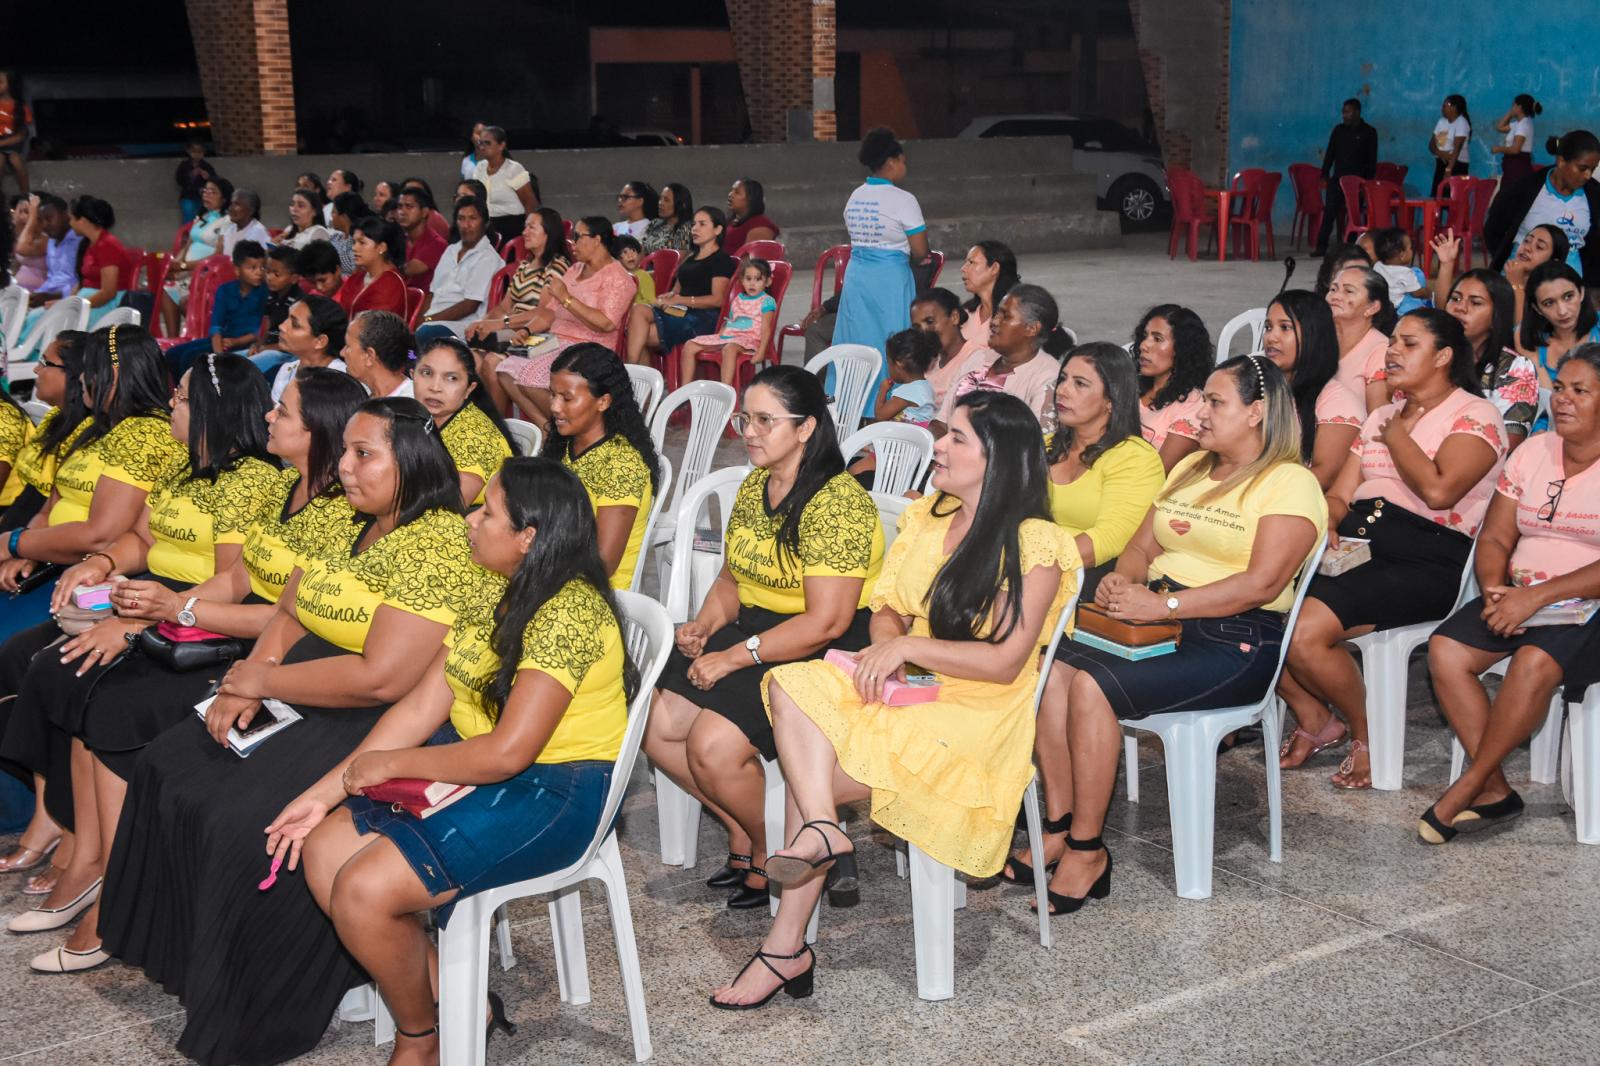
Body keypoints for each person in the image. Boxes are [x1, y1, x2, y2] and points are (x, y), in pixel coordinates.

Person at [97, 397, 474, 1066]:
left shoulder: (438, 541)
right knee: (167, 765)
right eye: (346, 452)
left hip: (368, 718)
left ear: (411, 463)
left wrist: (263, 685)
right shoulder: (345, 519)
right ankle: (189, 966)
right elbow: (290, 613)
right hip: (301, 685)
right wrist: (247, 676)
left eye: (365, 456)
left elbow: (383, 678)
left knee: (244, 824)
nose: (347, 468)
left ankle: (257, 1007)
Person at [711, 392, 1077, 1005]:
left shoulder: (1034, 542)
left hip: (977, 707)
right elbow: (887, 608)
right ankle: (822, 843)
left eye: (958, 438)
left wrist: (910, 652)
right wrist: (889, 648)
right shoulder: (927, 518)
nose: (938, 444)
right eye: (946, 434)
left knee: (813, 778)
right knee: (794, 683)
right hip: (912, 682)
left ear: (1000, 458)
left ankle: (785, 947)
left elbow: (1005, 661)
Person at [266, 457, 630, 1060]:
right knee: (325, 853)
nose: (470, 519)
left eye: (487, 512)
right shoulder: (494, 586)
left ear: (528, 538)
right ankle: (457, 999)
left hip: (555, 791)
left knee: (362, 892)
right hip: (478, 760)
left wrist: (392, 766)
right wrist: (324, 793)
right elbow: (418, 709)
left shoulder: (568, 613)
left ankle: (421, 1036)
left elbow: (511, 752)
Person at [1012, 356, 1324, 913]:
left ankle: (1088, 850)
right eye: (1202, 398)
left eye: (1216, 402)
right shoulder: (1192, 470)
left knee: (1090, 686)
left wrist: (1164, 601)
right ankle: (1058, 825)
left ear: (1257, 413)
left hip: (1235, 638)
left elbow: (1262, 582)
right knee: (1050, 667)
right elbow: (1139, 547)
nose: (1200, 412)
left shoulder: (1290, 483)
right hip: (1159, 617)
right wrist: (1122, 584)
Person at [0, 355, 281, 968]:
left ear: (208, 409)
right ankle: (83, 849)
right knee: (57, 667)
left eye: (180, 398)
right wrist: (100, 565)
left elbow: (229, 581)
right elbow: (143, 541)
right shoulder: (188, 467)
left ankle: (107, 875)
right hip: (161, 601)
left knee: (100, 690)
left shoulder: (252, 480)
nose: (171, 406)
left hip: (204, 625)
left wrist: (143, 619)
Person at [647, 364, 883, 910]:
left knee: (711, 746)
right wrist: (705, 623)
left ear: (805, 429)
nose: (749, 432)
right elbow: (734, 576)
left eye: (764, 421)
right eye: (744, 419)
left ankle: (780, 846)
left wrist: (732, 657)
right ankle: (752, 836)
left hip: (824, 646)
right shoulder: (757, 484)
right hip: (754, 629)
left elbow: (825, 621)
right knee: (655, 723)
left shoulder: (837, 503)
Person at [1279, 310, 1507, 788]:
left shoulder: (1474, 414)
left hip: (1427, 556)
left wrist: (1399, 431)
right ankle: (1316, 717)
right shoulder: (1382, 415)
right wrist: (1330, 522)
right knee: (1256, 605)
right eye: (1393, 342)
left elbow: (1439, 492)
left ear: (1443, 356)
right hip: (1361, 543)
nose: (1393, 351)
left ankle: (1367, 736)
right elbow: (1341, 494)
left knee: (1301, 632)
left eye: (1409, 343)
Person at [1420, 343, 1600, 843]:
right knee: (1446, 648)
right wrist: (1497, 587)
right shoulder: (1533, 451)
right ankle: (1496, 789)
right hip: (1519, 594)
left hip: (1590, 608)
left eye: (1579, 391)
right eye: (1560, 388)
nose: (1562, 400)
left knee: (1533, 663)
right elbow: (1497, 536)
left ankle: (1471, 782)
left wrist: (1537, 598)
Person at [0, 332, 90, 882]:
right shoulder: (64, 426)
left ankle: (28, 811)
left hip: (77, 567)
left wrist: (16, 549)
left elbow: (101, 530)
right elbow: (45, 507)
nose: (37, 370)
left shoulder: (124, 441)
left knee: (21, 655)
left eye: (48, 363)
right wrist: (18, 549)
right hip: (38, 553)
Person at [484, 218, 636, 428]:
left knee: (529, 378)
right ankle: (547, 428)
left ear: (597, 240)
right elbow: (550, 312)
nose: (572, 243)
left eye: (578, 237)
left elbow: (607, 323)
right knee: (505, 369)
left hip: (589, 347)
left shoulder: (618, 277)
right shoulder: (574, 270)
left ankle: (576, 428)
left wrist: (568, 299)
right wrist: (527, 330)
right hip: (555, 341)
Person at [1041, 341, 1167, 592]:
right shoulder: (1044, 446)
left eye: (1080, 384)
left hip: (1086, 574)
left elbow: (1110, 537)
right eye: (1063, 379)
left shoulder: (1134, 457)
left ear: (1111, 398)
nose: (1062, 391)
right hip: (1027, 563)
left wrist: (1035, 566)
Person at [539, 344, 660, 589]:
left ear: (603, 401)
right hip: (554, 574)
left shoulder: (622, 466)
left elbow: (603, 563)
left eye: (567, 398)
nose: (554, 407)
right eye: (552, 394)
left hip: (594, 594)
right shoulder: (563, 446)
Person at [834, 127, 930, 396]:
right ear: (891, 162)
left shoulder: (855, 197)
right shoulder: (904, 200)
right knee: (891, 342)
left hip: (857, 279)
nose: (904, 167)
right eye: (903, 161)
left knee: (856, 340)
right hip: (888, 279)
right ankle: (888, 402)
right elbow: (920, 250)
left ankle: (851, 401)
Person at [1261, 290, 1363, 488]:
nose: (1271, 337)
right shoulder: (1263, 386)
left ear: (1313, 334)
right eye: (1268, 327)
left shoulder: (1339, 403)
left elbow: (1322, 477)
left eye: (1285, 327)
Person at [936, 283, 1068, 432]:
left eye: (1005, 316)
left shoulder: (1047, 378)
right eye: (997, 313)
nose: (994, 321)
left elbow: (1037, 445)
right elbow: (940, 422)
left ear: (1032, 329)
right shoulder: (978, 358)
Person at [622, 206, 734, 367]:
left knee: (638, 334)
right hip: (679, 311)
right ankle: (637, 377)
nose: (695, 228)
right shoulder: (690, 257)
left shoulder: (721, 259)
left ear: (717, 229)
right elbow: (676, 291)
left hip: (702, 318)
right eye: (694, 224)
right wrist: (668, 297)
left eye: (702, 224)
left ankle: (634, 376)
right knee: (638, 310)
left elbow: (718, 299)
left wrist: (679, 300)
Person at [1484, 129, 1600, 284]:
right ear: (1561, 161)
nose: (1587, 175)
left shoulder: (1594, 195)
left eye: (1592, 169)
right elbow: (1493, 229)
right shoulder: (1523, 189)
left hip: (1569, 281)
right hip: (1520, 278)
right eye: (1582, 168)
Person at [413, 335, 513, 507]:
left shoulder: (475, 437)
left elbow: (450, 509)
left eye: (451, 378)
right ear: (412, 375)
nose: (435, 387)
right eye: (427, 373)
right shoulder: (414, 417)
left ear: (469, 389)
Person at [1442, 268, 1538, 446]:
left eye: (1475, 303)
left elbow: (1508, 440)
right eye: (1455, 299)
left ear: (1496, 317)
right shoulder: (1426, 354)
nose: (1460, 307)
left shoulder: (1514, 368)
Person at [463, 207, 569, 352]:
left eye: (532, 227)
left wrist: (500, 324)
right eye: (525, 227)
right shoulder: (524, 267)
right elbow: (504, 307)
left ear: (548, 233)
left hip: (531, 333)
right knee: (471, 351)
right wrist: (484, 323)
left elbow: (543, 312)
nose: (525, 232)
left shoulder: (557, 266)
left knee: (488, 356)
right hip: (508, 327)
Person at [162, 240, 269, 378]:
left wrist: (236, 342)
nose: (259, 273)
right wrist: (219, 354)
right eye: (252, 268)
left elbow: (260, 330)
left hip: (245, 344)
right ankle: (180, 394)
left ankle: (195, 397)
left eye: (262, 268)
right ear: (237, 270)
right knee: (173, 354)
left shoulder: (265, 293)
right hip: (221, 341)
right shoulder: (225, 290)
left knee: (189, 358)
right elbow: (216, 326)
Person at [1133, 303, 1211, 470]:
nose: (1143, 345)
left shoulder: (1193, 406)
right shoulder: (1132, 386)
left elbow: (1160, 472)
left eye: (1157, 339)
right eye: (1145, 336)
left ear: (1182, 348)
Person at [414, 196, 501, 344]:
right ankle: (413, 362)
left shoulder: (488, 258)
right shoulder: (451, 250)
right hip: (431, 322)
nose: (466, 225)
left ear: (485, 223)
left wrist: (429, 320)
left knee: (423, 335)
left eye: (473, 218)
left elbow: (469, 306)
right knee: (402, 339)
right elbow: (432, 293)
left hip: (460, 326)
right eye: (461, 219)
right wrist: (418, 321)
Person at [682, 255, 778, 386]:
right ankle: (684, 389)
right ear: (742, 281)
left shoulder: (767, 301)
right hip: (729, 336)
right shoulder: (738, 298)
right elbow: (731, 319)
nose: (752, 283)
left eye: (758, 279)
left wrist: (761, 351)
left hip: (750, 339)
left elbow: (766, 328)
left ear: (768, 282)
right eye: (748, 279)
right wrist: (721, 333)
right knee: (689, 345)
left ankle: (725, 389)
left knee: (730, 349)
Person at [157, 176, 232, 336]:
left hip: (205, 274)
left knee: (188, 300)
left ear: (224, 198)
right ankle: (172, 337)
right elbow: (188, 245)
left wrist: (184, 266)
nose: (206, 194)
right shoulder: (202, 217)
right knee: (166, 288)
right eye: (205, 190)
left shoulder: (227, 222)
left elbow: (217, 256)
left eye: (213, 192)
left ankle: (198, 336)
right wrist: (175, 264)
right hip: (186, 273)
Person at [1518, 261, 1600, 390]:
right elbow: (1551, 403)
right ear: (1537, 309)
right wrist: (1532, 358)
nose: (1562, 311)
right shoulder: (1528, 337)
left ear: (1582, 293)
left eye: (1568, 297)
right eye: (1549, 303)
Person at [1326, 263, 1396, 415]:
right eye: (1333, 289)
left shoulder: (1382, 352)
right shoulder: (1319, 338)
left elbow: (1377, 420)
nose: (1336, 296)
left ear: (1372, 307)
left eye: (1349, 291)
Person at [1312, 98, 1379, 255]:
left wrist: (1366, 184)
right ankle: (1321, 246)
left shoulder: (1369, 132)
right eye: (1343, 112)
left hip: (1358, 184)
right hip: (1338, 180)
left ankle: (1351, 247)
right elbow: (1330, 153)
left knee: (1353, 215)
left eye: (1347, 112)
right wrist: (1324, 173)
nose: (1344, 115)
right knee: (1329, 212)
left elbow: (1372, 160)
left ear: (1357, 112)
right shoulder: (1339, 131)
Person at [911, 287, 994, 411]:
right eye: (917, 327)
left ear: (954, 317)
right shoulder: (927, 359)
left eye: (930, 321)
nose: (923, 330)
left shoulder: (976, 359)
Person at [263, 294, 349, 402]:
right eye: (287, 318)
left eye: (295, 324)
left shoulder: (342, 381)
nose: (282, 326)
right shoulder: (287, 371)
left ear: (320, 341)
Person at [65, 196, 133, 330]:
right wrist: (67, 304)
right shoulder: (89, 244)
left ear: (83, 221)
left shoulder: (107, 245)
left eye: (72, 219)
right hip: (89, 302)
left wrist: (79, 306)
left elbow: (108, 292)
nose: (70, 224)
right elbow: (83, 281)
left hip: (106, 305)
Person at [473, 126, 539, 244]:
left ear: (501, 145)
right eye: (480, 143)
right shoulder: (479, 168)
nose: (482, 147)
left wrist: (528, 233)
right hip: (485, 227)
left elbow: (530, 204)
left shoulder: (514, 169)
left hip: (512, 229)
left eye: (487, 143)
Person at [336, 217, 409, 319]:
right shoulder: (356, 279)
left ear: (381, 247)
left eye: (362, 243)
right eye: (354, 242)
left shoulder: (391, 284)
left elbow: (375, 328)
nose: (354, 248)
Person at [868, 327, 938, 427]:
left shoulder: (907, 392)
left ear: (899, 363)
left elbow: (880, 416)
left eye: (888, 363)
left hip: (905, 440)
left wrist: (882, 391)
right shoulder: (928, 387)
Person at [22, 193, 81, 307]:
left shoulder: (80, 241)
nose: (44, 225)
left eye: (49, 219)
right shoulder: (51, 241)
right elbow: (53, 279)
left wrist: (51, 296)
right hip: (46, 297)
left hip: (68, 302)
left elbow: (83, 283)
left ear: (66, 215)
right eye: (41, 220)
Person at [342, 309, 415, 399]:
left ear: (369, 355)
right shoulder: (359, 393)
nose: (342, 353)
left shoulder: (410, 405)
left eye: (348, 346)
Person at [959, 240, 1019, 348]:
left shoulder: (1015, 316)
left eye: (971, 262)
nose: (963, 269)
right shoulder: (965, 313)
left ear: (994, 268)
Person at [395, 186, 446, 292]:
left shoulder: (437, 244)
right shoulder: (398, 239)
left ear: (424, 212)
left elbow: (409, 269)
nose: (402, 212)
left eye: (409, 207)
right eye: (400, 206)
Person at [253, 245, 302, 355]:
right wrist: (258, 345)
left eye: (276, 274)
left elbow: (296, 344)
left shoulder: (299, 302)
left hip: (285, 354)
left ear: (294, 278)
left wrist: (267, 348)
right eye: (268, 271)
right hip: (267, 348)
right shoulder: (270, 295)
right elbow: (267, 326)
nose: (269, 277)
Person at [1372, 228, 1428, 314]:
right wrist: (1427, 293)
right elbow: (1417, 293)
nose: (1411, 251)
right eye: (1410, 248)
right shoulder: (1405, 273)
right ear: (1402, 255)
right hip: (1397, 306)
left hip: (1380, 303)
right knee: (1417, 273)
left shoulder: (1377, 265)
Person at [1492, 94, 1541, 186]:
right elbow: (1500, 127)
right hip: (1512, 168)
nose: (1512, 108)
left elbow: (1515, 149)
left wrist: (1499, 149)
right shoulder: (1518, 124)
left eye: (1513, 105)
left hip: (1517, 167)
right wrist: (1510, 114)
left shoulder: (1523, 125)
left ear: (1519, 107)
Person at [1429, 94, 1472, 193]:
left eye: (1445, 106)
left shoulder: (1461, 123)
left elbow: (1457, 149)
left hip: (1456, 166)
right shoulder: (1441, 122)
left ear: (1453, 108)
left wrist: (1448, 171)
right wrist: (1440, 153)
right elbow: (1431, 144)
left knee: (1452, 199)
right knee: (1437, 197)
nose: (1442, 109)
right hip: (1441, 163)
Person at [723, 177, 779, 252]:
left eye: (737, 192)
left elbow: (752, 259)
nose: (730, 194)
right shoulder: (730, 221)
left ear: (750, 198)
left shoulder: (760, 224)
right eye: (731, 190)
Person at [0, 72, 31, 198]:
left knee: (15, 160)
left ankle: (26, 197)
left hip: (14, 144)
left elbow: (22, 135)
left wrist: (3, 143)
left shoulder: (21, 107)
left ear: (10, 85)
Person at [174, 140, 218, 223]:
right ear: (188, 151)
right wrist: (191, 175)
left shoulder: (206, 166)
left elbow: (216, 181)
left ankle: (199, 233)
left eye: (200, 152)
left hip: (203, 196)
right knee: (189, 214)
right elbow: (179, 180)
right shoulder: (184, 165)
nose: (197, 154)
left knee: (204, 216)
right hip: (188, 196)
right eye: (194, 151)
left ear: (204, 153)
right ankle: (188, 233)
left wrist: (208, 177)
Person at [217, 188, 270, 257]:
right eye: (231, 204)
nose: (230, 208)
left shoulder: (257, 231)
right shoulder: (230, 230)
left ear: (251, 211)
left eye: (237, 204)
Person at [644, 182, 694, 253]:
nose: (660, 203)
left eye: (666, 200)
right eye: (661, 198)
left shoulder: (686, 228)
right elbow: (642, 251)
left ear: (680, 205)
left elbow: (679, 258)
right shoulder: (655, 223)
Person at [326, 191, 368, 274]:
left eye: (334, 212)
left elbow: (356, 267)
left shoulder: (359, 241)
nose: (331, 215)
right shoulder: (334, 237)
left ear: (343, 217)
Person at [615, 234, 656, 305]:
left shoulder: (642, 275)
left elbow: (651, 301)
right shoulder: (617, 277)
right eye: (625, 252)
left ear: (639, 254)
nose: (630, 255)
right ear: (618, 258)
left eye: (633, 251)